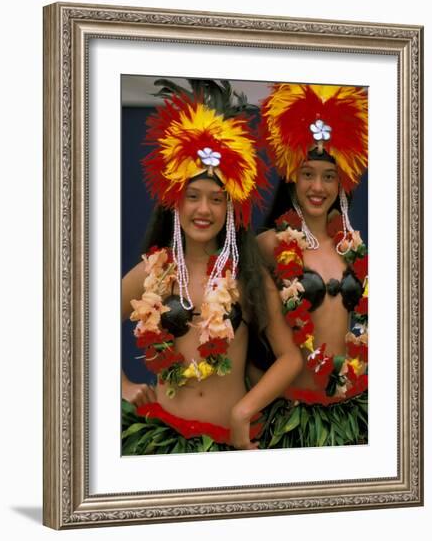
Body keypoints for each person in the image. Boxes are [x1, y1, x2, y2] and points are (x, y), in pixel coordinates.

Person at [121, 80, 302, 454]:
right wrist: (121, 386)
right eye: (193, 197)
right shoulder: (153, 273)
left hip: (226, 444)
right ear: (175, 202)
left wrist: (244, 410)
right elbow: (79, 326)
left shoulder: (247, 277)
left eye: (216, 200)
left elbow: (290, 357)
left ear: (231, 209)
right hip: (160, 438)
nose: (203, 210)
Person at [252, 83, 369, 448]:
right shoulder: (270, 245)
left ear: (342, 182)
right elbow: (239, 331)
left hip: (352, 410)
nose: (318, 186)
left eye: (328, 176)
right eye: (307, 173)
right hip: (291, 416)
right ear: (292, 177)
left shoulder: (353, 247)